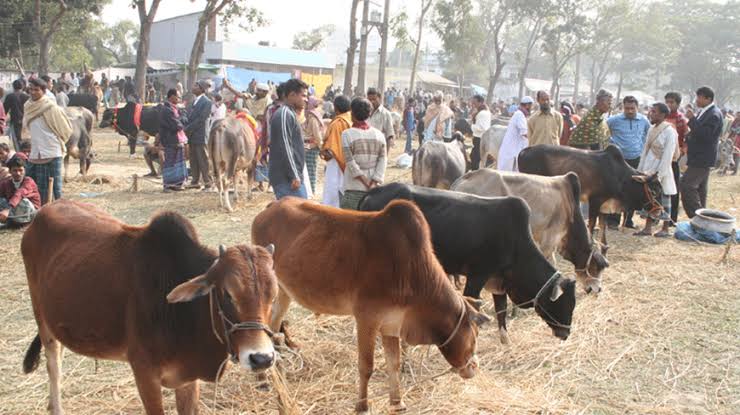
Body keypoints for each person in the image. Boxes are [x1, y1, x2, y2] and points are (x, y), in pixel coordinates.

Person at [23, 78, 72, 205]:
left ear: (44, 91)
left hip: (52, 150)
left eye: (36, 90)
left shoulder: (51, 107)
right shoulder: (27, 106)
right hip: (36, 152)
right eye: (31, 89)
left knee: (56, 188)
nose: (33, 92)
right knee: (39, 188)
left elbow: (65, 129)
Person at [606, 95, 650, 228]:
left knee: (634, 190)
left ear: (637, 108)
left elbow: (648, 135)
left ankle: (628, 220)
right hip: (618, 160)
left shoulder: (644, 120)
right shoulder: (613, 120)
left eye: (632, 108)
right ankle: (613, 221)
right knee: (616, 189)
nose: (630, 111)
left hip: (636, 159)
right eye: (627, 108)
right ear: (622, 108)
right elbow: (604, 131)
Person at [635, 103, 678, 237]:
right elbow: (645, 151)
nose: (651, 114)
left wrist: (659, 174)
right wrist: (641, 169)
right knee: (650, 198)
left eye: (654, 112)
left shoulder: (669, 131)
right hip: (648, 167)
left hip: (661, 169)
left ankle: (665, 228)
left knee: (664, 197)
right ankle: (648, 228)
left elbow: (668, 155)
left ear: (662, 115)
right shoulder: (651, 129)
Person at [680, 86, 723, 218]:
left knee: (687, 185)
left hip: (702, 158)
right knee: (700, 189)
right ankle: (703, 217)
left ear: (708, 98)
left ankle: (697, 217)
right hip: (699, 156)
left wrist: (692, 120)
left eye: (699, 97)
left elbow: (706, 135)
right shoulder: (705, 111)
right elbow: (699, 132)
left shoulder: (714, 114)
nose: (696, 100)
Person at [340, 97, 387, 210]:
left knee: (350, 223)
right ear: (370, 113)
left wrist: (365, 181)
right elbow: (383, 160)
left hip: (353, 187)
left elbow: (350, 162)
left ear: (352, 113)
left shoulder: (347, 134)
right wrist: (374, 182)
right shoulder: (379, 135)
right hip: (374, 191)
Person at [269, 78, 309, 199]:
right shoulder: (284, 114)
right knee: (300, 216)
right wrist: (294, 175)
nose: (306, 99)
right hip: (287, 179)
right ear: (292, 95)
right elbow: (285, 146)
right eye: (303, 95)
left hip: (290, 178)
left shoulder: (289, 114)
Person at [321, 95, 352, 207]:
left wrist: (325, 152)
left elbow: (331, 149)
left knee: (332, 190)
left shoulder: (337, 123)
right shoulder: (352, 119)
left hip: (336, 161)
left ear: (336, 108)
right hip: (349, 161)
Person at [664, 92, 690, 223]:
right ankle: (658, 214)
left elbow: (686, 136)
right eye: (667, 102)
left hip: (674, 157)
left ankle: (672, 217)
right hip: (660, 156)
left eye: (672, 102)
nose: (669, 105)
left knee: (673, 186)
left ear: (678, 104)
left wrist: (682, 150)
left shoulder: (680, 119)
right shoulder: (661, 115)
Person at [185, 80, 213, 190]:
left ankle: (208, 182)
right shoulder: (193, 101)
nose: (193, 87)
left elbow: (201, 120)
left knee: (203, 160)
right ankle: (195, 181)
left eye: (196, 85)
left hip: (201, 135)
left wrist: (187, 129)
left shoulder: (207, 102)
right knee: (193, 159)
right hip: (192, 135)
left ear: (202, 89)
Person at [159, 89, 188, 192]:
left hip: (177, 139)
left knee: (178, 162)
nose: (179, 99)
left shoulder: (175, 109)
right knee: (170, 162)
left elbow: (182, 121)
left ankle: (176, 184)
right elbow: (176, 125)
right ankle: (167, 185)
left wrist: (181, 120)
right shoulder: (166, 110)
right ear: (171, 97)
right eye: (177, 97)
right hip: (170, 140)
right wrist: (181, 120)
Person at [0, 155, 41, 228]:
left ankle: (18, 224)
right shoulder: (7, 183)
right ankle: (10, 221)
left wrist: (7, 210)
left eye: (20, 170)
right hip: (14, 212)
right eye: (15, 170)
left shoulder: (28, 181)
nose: (18, 173)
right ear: (10, 171)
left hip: (30, 213)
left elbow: (19, 194)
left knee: (22, 201)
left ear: (24, 170)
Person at [498, 96, 533, 171]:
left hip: (514, 151)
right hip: (511, 153)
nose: (531, 108)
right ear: (527, 105)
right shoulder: (519, 115)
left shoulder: (521, 115)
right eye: (531, 106)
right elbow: (524, 133)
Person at [303, 96, 325, 194]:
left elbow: (317, 135)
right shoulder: (308, 115)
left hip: (311, 147)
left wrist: (321, 147)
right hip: (307, 146)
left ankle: (311, 191)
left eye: (307, 103)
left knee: (310, 170)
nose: (305, 105)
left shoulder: (313, 118)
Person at [367, 88, 395, 152]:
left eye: (374, 99)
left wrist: (386, 155)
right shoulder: (364, 112)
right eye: (369, 99)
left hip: (379, 149)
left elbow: (389, 135)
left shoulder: (386, 114)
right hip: (365, 149)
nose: (372, 102)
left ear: (379, 98)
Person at [4, 80, 29, 151]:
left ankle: (20, 152)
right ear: (23, 86)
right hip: (26, 120)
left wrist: (3, 120)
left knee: (17, 139)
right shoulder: (27, 97)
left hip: (15, 120)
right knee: (25, 139)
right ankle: (25, 152)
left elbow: (5, 109)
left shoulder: (10, 96)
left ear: (13, 86)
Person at [469, 94, 491, 170]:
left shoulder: (482, 113)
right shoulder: (484, 112)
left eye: (475, 103)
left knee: (475, 158)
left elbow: (482, 127)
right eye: (472, 102)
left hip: (479, 139)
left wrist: (471, 126)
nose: (473, 105)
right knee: (475, 157)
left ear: (480, 102)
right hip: (481, 138)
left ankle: (475, 174)